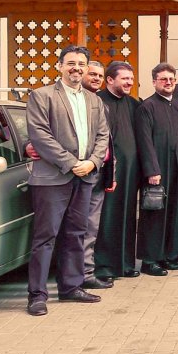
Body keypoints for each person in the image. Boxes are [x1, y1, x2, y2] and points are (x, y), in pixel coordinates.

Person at [24, 45, 111, 316]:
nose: (77, 68)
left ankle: (70, 287)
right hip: (53, 178)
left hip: (85, 177)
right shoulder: (42, 96)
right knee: (45, 237)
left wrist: (92, 162)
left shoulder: (94, 100)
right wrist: (72, 163)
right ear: (60, 66)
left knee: (76, 233)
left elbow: (102, 136)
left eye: (81, 63)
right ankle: (37, 295)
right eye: (71, 63)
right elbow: (40, 135)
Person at [136, 62, 178, 276]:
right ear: (154, 82)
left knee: (175, 211)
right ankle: (150, 260)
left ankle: (169, 255)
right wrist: (152, 171)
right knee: (155, 216)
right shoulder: (147, 107)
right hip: (158, 170)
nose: (169, 82)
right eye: (163, 79)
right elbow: (144, 141)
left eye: (172, 79)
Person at [94, 61, 141, 281]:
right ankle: (103, 265)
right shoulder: (97, 102)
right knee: (107, 218)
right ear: (110, 80)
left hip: (131, 172)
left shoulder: (133, 104)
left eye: (131, 79)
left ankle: (125, 263)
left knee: (128, 216)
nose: (129, 82)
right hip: (107, 171)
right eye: (125, 78)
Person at [78, 60, 114, 289]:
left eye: (99, 75)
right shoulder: (68, 101)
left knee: (91, 228)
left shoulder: (100, 103)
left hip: (98, 174)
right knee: (75, 229)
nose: (96, 78)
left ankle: (86, 273)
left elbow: (108, 141)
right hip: (74, 173)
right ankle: (72, 276)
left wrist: (110, 173)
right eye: (92, 74)